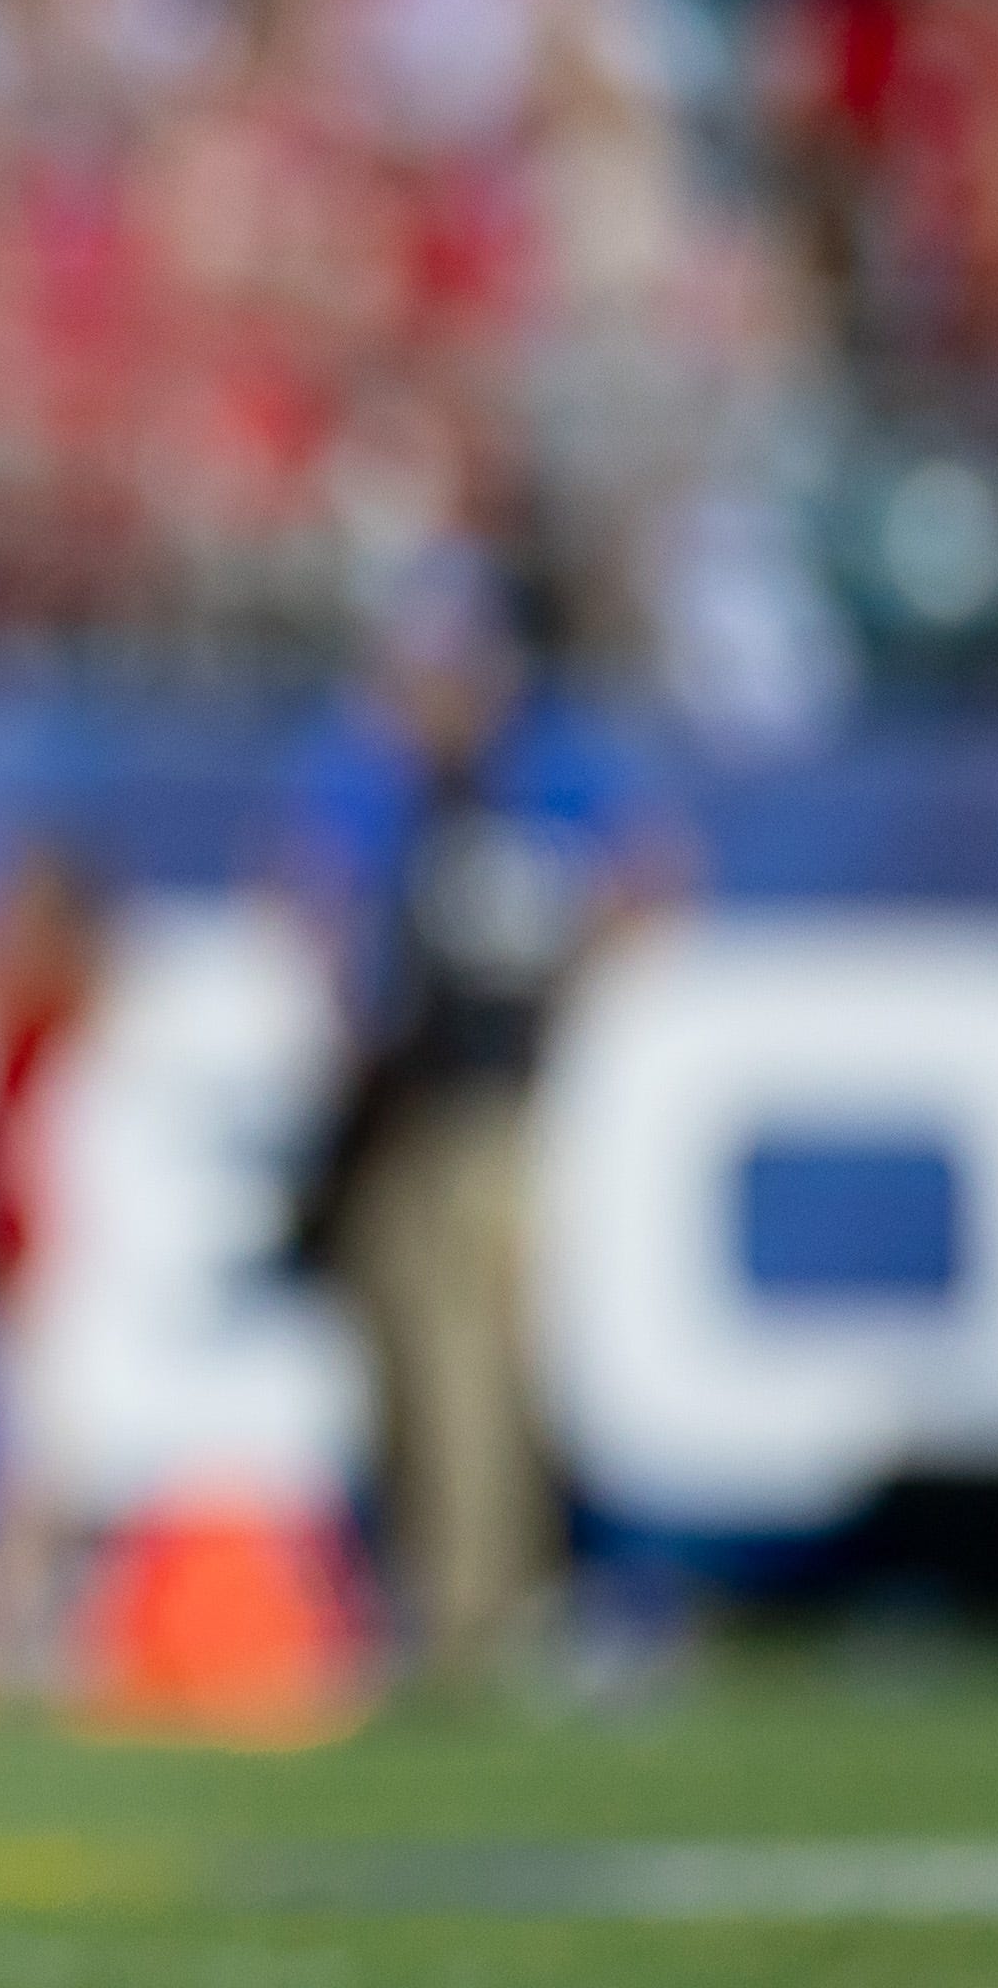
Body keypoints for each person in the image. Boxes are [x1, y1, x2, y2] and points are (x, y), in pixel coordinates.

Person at [282, 549, 671, 1687]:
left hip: (492, 1103)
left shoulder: (545, 772)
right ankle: (428, 1585)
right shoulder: (374, 778)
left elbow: (646, 880)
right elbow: (305, 889)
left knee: (478, 1356)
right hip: (388, 1114)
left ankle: (482, 1603)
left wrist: (561, 971)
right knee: (400, 1351)